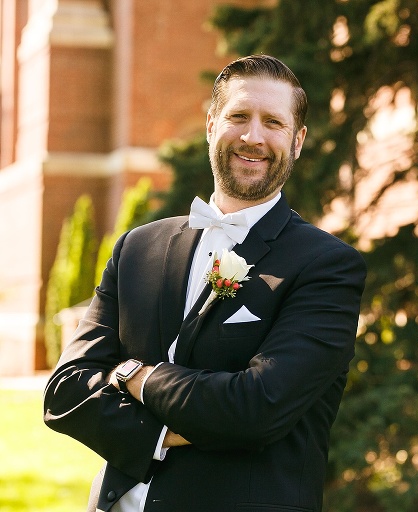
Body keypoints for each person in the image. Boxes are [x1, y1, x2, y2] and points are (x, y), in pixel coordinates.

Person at [43, 54, 367, 512]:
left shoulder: (328, 267)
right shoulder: (136, 248)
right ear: (212, 123)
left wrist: (135, 374)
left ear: (297, 142)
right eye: (239, 116)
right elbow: (66, 388)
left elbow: (256, 409)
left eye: (273, 122)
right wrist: (158, 435)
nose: (253, 136)